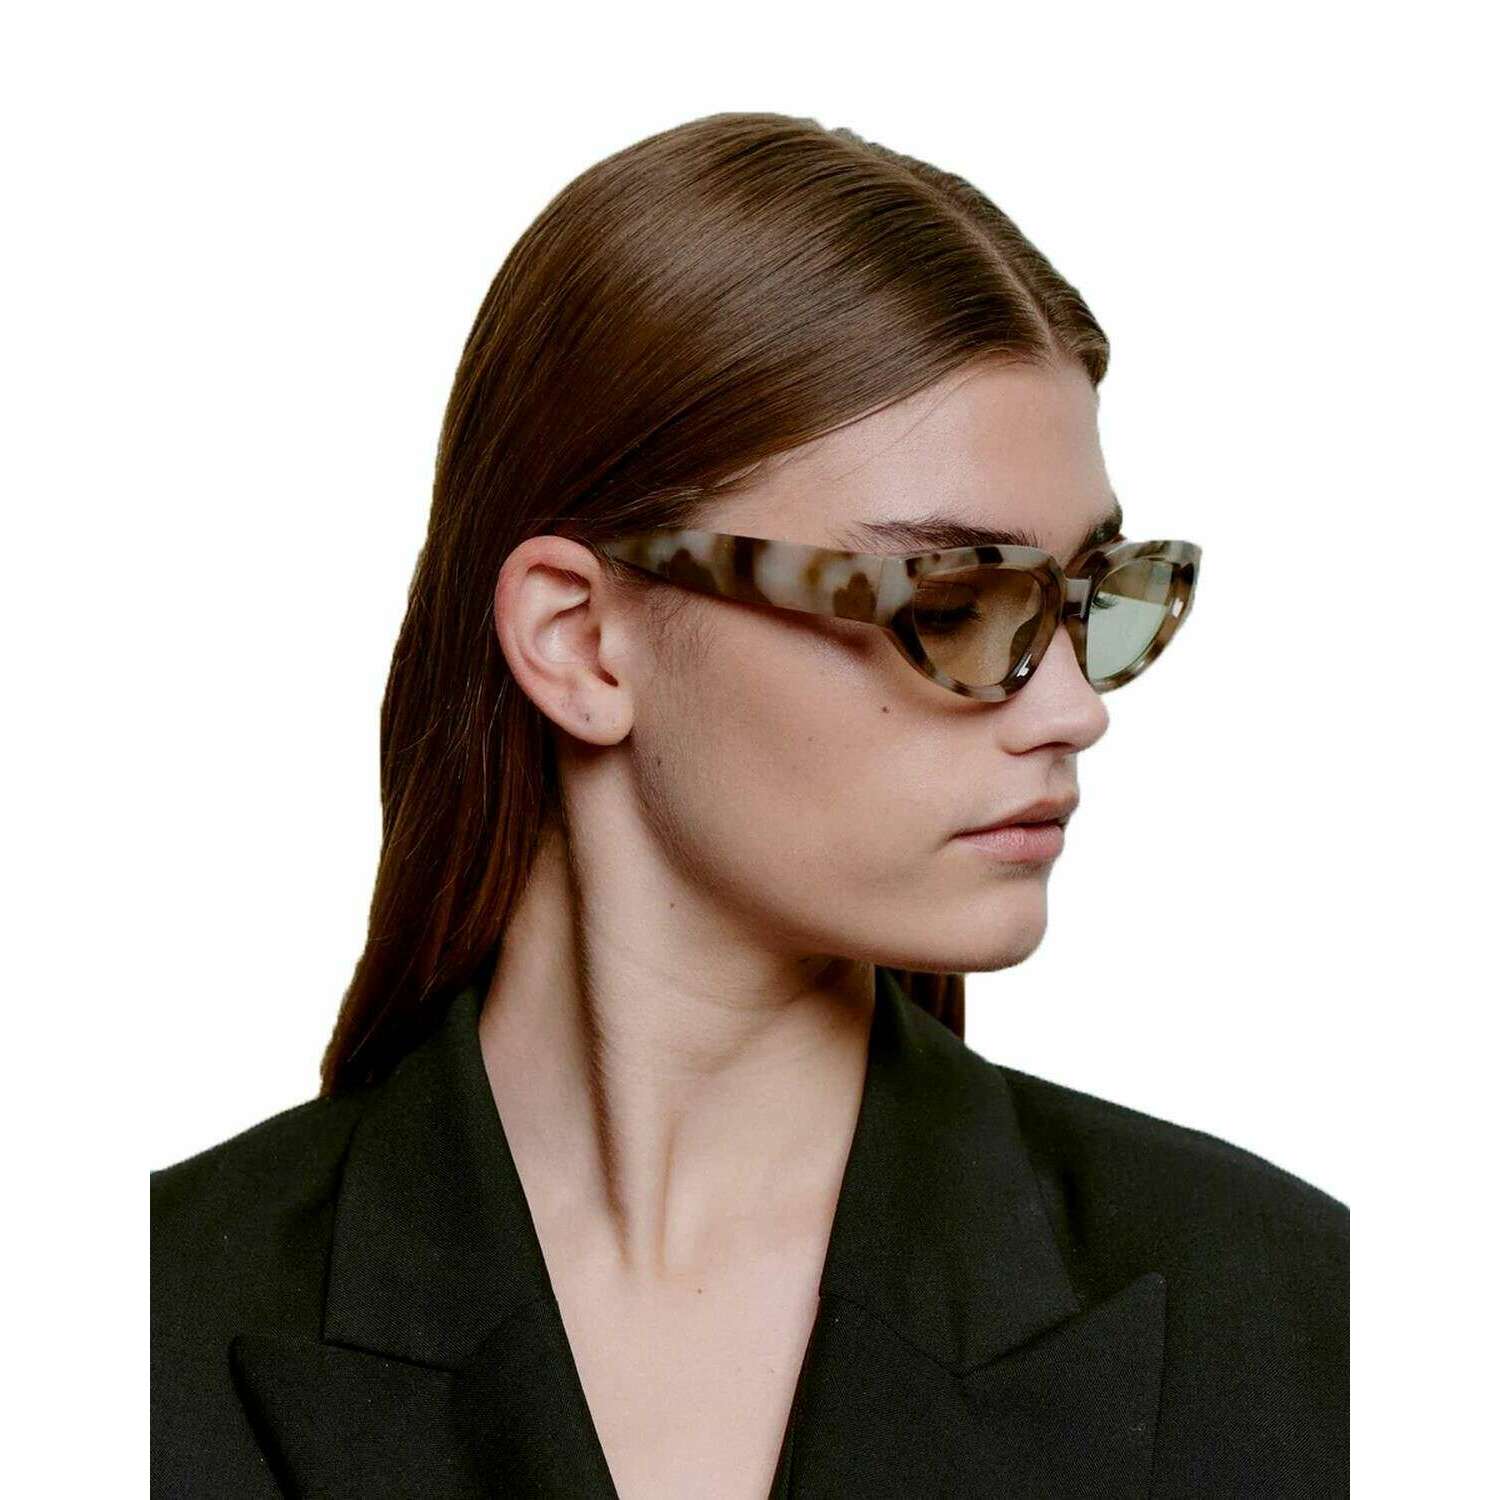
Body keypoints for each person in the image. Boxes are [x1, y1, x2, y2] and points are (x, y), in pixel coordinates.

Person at [151, 111, 1348, 1498]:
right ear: (580, 640)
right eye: (954, 601)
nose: (1076, 707)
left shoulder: (1300, 1322)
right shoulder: (122, 1340)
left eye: (1096, 595)